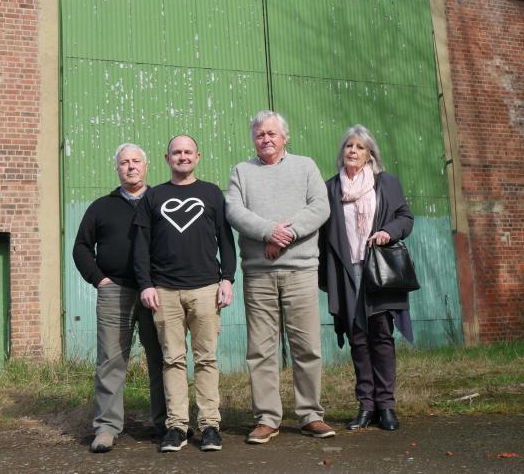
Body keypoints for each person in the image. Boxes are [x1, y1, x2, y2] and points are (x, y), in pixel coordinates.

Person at [225, 110, 335, 444]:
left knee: (306, 346)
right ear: (253, 139)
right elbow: (234, 211)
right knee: (261, 349)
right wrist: (269, 233)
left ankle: (310, 415)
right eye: (260, 134)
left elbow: (320, 207)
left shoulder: (305, 166)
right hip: (259, 275)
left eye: (272, 133)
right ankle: (267, 418)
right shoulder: (241, 172)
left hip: (300, 271)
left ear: (284, 137)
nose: (266, 139)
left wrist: (285, 237)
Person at [133, 135, 236, 453]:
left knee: (207, 360)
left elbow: (225, 239)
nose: (182, 156)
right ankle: (177, 426)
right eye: (176, 152)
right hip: (165, 291)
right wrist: (146, 284)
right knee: (172, 361)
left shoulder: (211, 194)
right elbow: (141, 246)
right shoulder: (154, 197)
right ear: (167, 159)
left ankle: (209, 427)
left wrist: (228, 278)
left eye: (187, 152)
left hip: (206, 288)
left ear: (198, 156)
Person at [318, 124, 414, 431]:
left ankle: (386, 406)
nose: (352, 151)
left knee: (382, 336)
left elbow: (405, 217)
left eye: (359, 147)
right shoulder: (330, 188)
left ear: (370, 153)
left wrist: (388, 231)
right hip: (347, 271)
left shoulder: (386, 183)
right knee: (358, 338)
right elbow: (322, 232)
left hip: (379, 269)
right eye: (348, 145)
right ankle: (365, 405)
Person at [72, 143, 166, 453]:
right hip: (115, 292)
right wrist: (100, 280)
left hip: (156, 291)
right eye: (124, 162)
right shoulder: (101, 207)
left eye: (136, 161)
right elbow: (81, 248)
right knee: (111, 361)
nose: (130, 167)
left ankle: (166, 423)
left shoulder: (160, 201)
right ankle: (107, 427)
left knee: (162, 359)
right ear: (117, 168)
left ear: (146, 165)